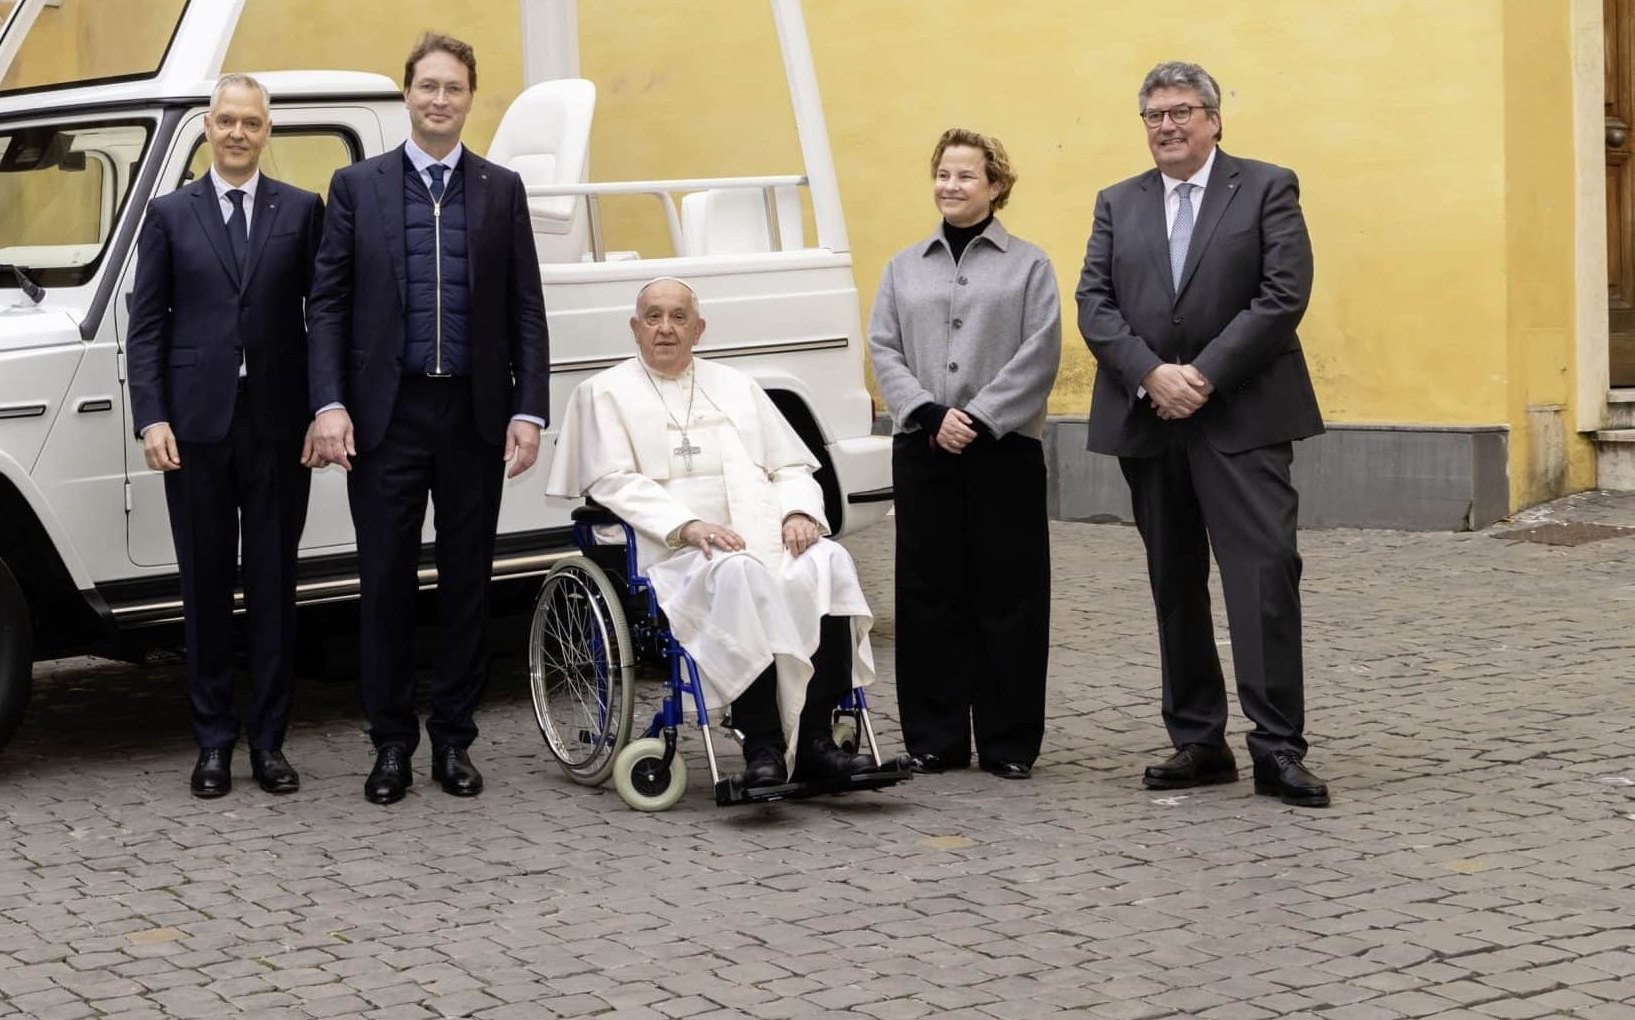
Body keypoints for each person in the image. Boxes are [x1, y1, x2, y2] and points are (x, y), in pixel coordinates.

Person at [1076, 61, 1329, 807]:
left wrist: (1204, 375)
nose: (1167, 126)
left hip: (1243, 418)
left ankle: (1277, 746)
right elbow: (1095, 303)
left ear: (1214, 119)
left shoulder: (1266, 186)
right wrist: (1153, 375)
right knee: (1175, 583)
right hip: (1150, 420)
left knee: (1264, 577)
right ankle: (1197, 739)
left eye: (1182, 111)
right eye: (1154, 115)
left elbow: (1283, 294)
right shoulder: (1117, 203)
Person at [307, 32, 550, 805]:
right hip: (387, 418)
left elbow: (526, 310)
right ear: (406, 96)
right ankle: (390, 745)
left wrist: (529, 408)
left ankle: (454, 740)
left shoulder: (500, 189)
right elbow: (328, 306)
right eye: (426, 87)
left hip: (474, 417)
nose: (439, 99)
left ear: (470, 98)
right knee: (382, 584)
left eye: (453, 88)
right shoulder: (357, 187)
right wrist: (330, 401)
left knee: (467, 584)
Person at [549, 279, 881, 790]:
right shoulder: (605, 393)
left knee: (828, 562)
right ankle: (764, 744)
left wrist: (798, 512)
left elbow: (791, 464)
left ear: (698, 329)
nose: (666, 328)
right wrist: (686, 524)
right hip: (676, 552)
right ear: (635, 328)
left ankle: (814, 740)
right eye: (654, 317)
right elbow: (612, 480)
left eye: (679, 317)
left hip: (762, 537)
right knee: (738, 574)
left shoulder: (737, 386)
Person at [128, 74, 325, 799]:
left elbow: (322, 319)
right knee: (205, 589)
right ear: (207, 128)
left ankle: (269, 743)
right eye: (227, 120)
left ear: (267, 131)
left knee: (274, 587)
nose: (239, 132)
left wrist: (323, 408)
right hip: (195, 428)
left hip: (279, 426)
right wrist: (152, 416)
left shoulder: (302, 211)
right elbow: (146, 324)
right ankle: (213, 742)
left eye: (252, 122)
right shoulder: (169, 214)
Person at [866, 129, 1061, 780]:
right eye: (943, 174)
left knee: (1009, 595)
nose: (951, 186)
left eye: (966, 176)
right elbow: (883, 347)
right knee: (928, 596)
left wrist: (977, 417)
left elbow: (1040, 353)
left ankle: (1008, 743)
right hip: (923, 448)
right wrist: (925, 412)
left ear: (997, 185)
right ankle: (934, 738)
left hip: (1002, 449)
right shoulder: (902, 266)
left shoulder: (1029, 266)